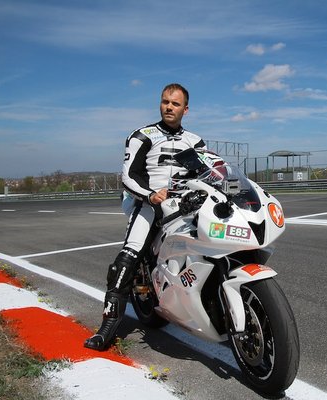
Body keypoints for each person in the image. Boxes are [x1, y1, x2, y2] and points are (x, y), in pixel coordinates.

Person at [84, 83, 206, 351]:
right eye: (165, 102)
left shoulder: (195, 141)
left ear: (185, 109)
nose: (169, 107)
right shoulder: (142, 136)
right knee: (127, 259)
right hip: (149, 204)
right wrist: (151, 196)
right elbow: (128, 176)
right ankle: (108, 327)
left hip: (185, 205)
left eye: (175, 104)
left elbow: (207, 173)